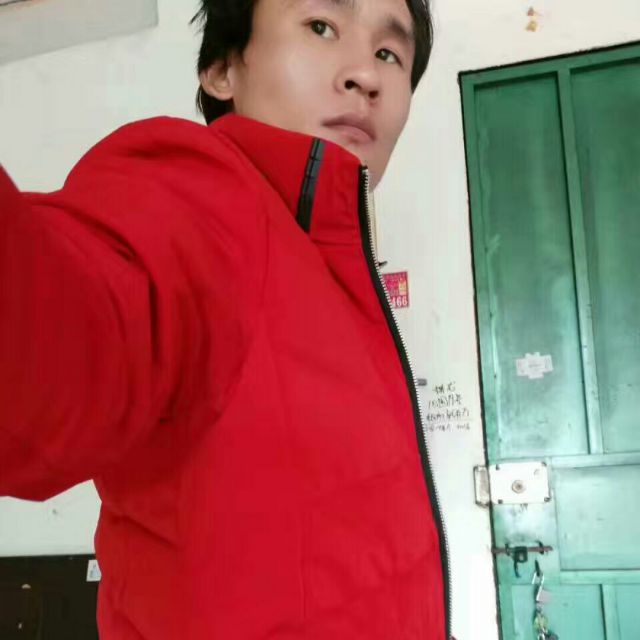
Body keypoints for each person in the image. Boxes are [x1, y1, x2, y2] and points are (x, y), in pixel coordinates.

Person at [0, 0, 451, 637]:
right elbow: (50, 352)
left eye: (389, 53)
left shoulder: (344, 284)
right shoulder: (199, 198)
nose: (366, 75)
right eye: (321, 27)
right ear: (222, 71)